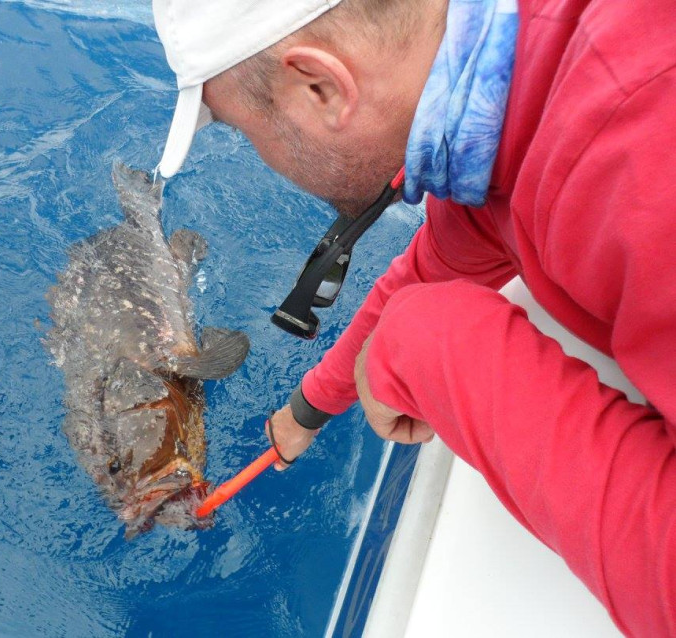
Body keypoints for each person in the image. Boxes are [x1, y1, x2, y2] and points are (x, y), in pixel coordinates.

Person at [151, 0, 676, 635]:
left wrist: (427, 344)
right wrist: (307, 409)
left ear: (320, 88)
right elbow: (450, 254)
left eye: (244, 131)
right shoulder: (508, 101)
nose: (260, 157)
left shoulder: (643, 140)